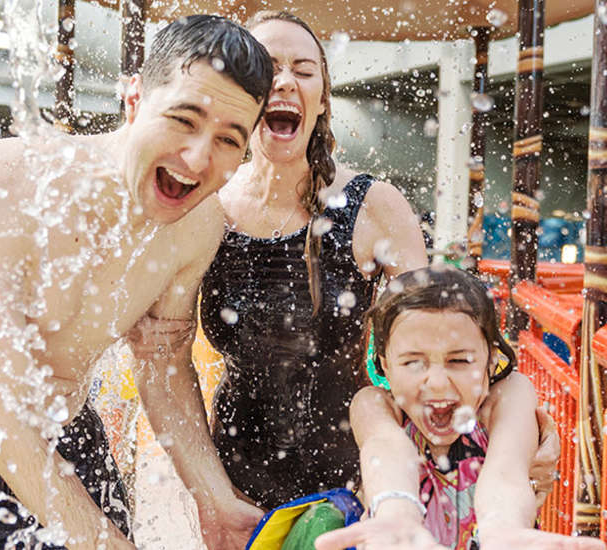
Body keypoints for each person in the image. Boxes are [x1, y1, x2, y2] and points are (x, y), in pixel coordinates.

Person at [0, 15, 271, 550]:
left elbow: (164, 362)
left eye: (228, 140)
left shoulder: (198, 225)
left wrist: (214, 497)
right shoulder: (1, 187)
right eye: (184, 119)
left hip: (68, 437)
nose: (198, 159)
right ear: (134, 98)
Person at [196, 10, 558, 511]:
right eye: (267, 68)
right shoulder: (206, 209)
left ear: (323, 98)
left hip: (359, 477)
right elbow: (163, 355)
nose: (283, 81)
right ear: (242, 93)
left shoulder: (373, 206)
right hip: (233, 484)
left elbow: (441, 334)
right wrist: (209, 491)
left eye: (303, 70)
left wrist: (525, 424)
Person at [315, 266, 604, 550]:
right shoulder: (374, 404)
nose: (438, 383)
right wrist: (397, 513)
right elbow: (387, 449)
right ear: (386, 366)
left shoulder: (508, 396)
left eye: (460, 360)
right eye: (413, 362)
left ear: (491, 360)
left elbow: (506, 469)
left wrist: (503, 526)